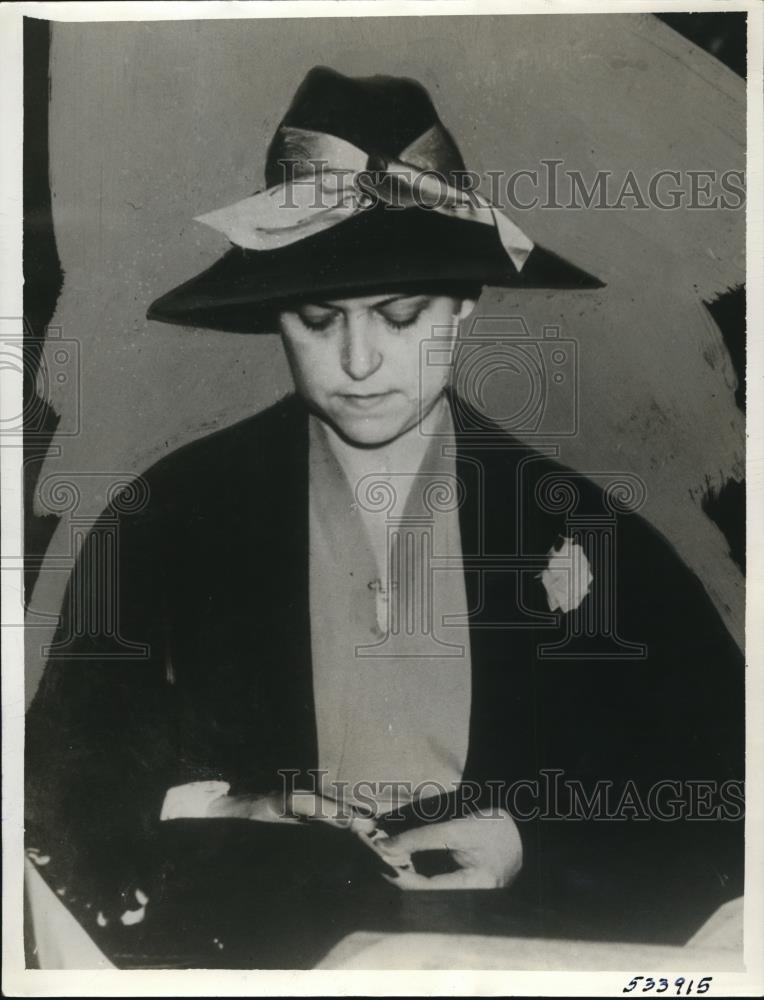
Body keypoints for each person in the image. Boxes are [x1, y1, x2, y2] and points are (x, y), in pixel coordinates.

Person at [25, 67, 744, 965]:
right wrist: (229, 809)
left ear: (466, 301)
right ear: (272, 315)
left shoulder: (580, 524)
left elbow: (727, 792)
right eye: (319, 320)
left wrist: (534, 844)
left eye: (401, 316)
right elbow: (55, 789)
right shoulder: (165, 515)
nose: (360, 360)